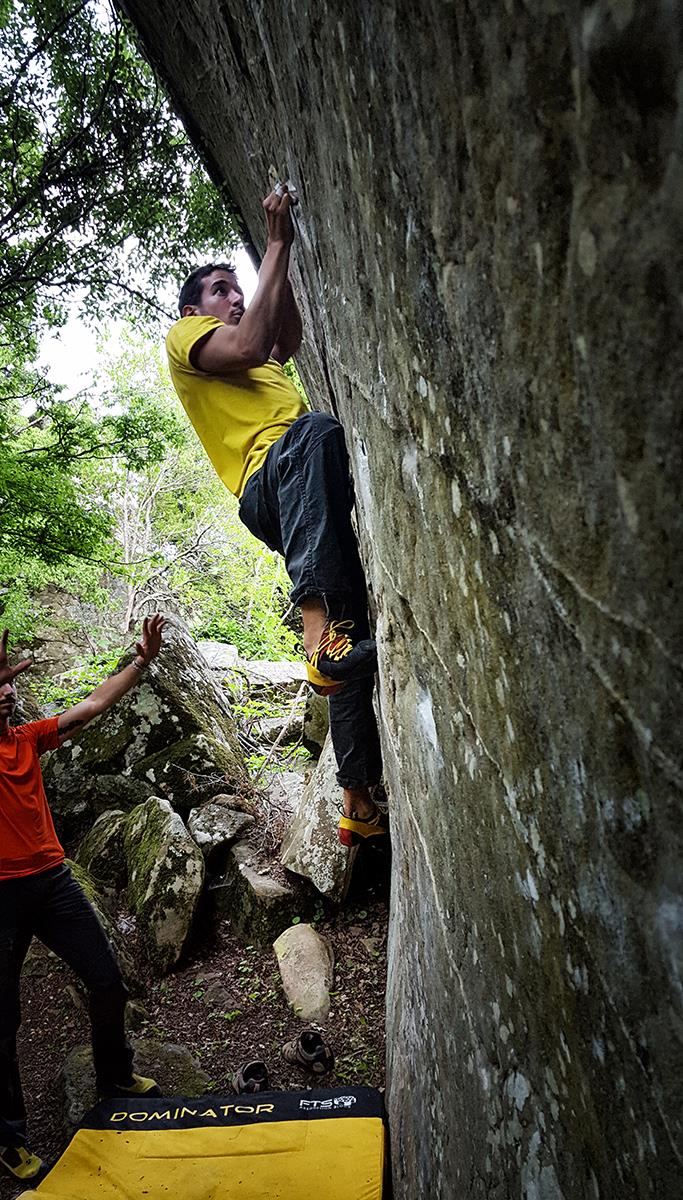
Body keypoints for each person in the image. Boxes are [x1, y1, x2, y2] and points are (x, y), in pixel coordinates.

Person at [165, 183, 387, 848]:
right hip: (272, 476)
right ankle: (318, 641)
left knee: (350, 633)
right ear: (192, 309)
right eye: (218, 291)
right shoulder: (187, 338)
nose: (231, 298)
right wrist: (275, 242)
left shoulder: (260, 361)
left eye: (236, 290)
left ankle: (356, 803)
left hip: (295, 487)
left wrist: (277, 266)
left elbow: (280, 336)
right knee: (319, 429)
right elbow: (250, 341)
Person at [0, 617, 166, 1184]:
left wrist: (141, 662)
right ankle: (10, 1136)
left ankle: (115, 1074)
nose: (7, 692)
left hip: (52, 882)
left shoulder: (24, 740)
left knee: (106, 980)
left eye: (7, 685)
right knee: (3, 1022)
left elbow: (91, 707)